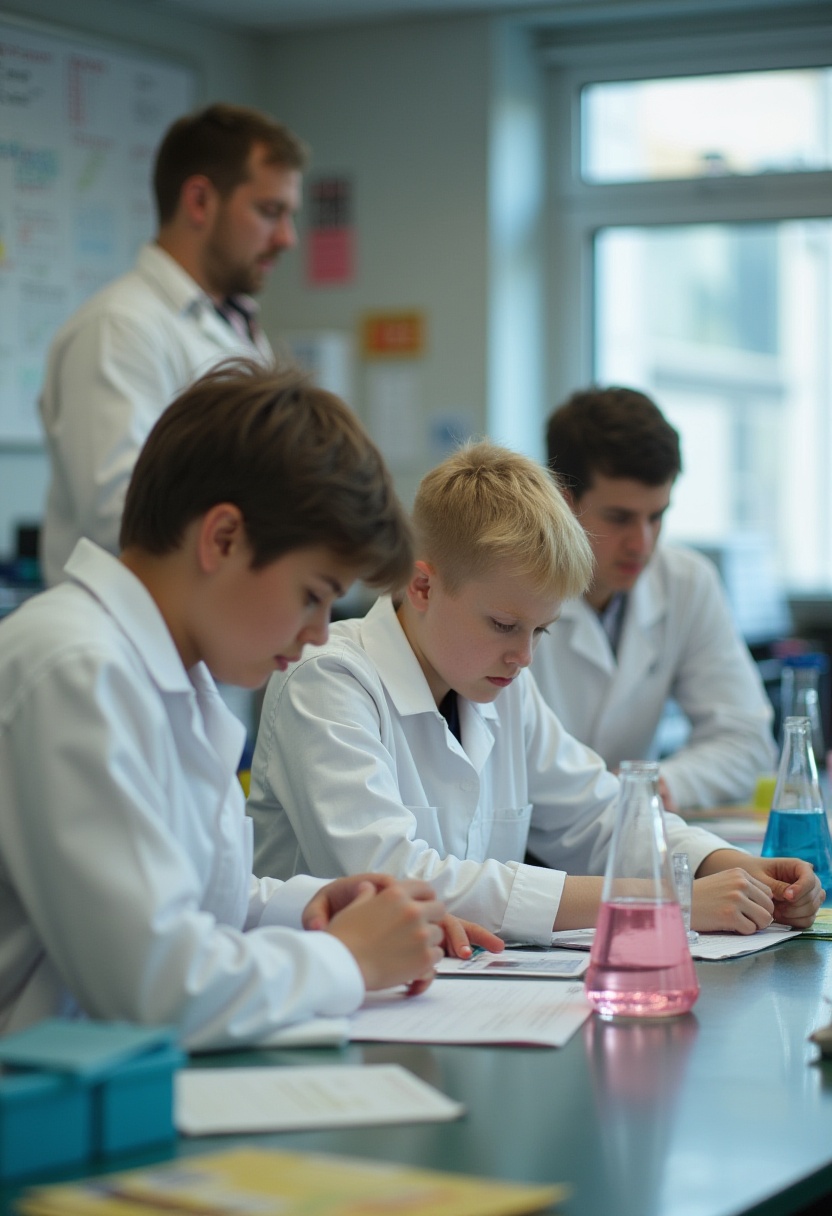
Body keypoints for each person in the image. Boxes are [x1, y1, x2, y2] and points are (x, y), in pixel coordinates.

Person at [0, 360, 501, 1050]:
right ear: (223, 538)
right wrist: (346, 959)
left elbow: (181, 902)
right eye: (312, 593)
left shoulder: (177, 674)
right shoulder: (76, 669)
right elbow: (152, 988)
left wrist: (312, 908)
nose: (321, 631)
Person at [248, 440, 822, 943]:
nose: (524, 657)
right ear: (422, 585)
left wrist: (729, 864)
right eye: (504, 625)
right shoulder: (327, 678)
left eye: (540, 630)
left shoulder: (498, 685)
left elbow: (598, 815)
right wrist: (662, 898)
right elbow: (395, 879)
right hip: (335, 1009)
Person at [39, 102, 305, 588]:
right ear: (200, 200)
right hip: (128, 643)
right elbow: (126, 516)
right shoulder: (119, 328)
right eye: (270, 212)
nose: (287, 238)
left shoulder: (235, 324)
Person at [530, 386, 778, 812]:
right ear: (562, 500)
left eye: (656, 516)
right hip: (525, 852)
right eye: (620, 518)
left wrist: (657, 785)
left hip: (631, 832)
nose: (642, 544)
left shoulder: (686, 581)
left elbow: (748, 743)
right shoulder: (510, 588)